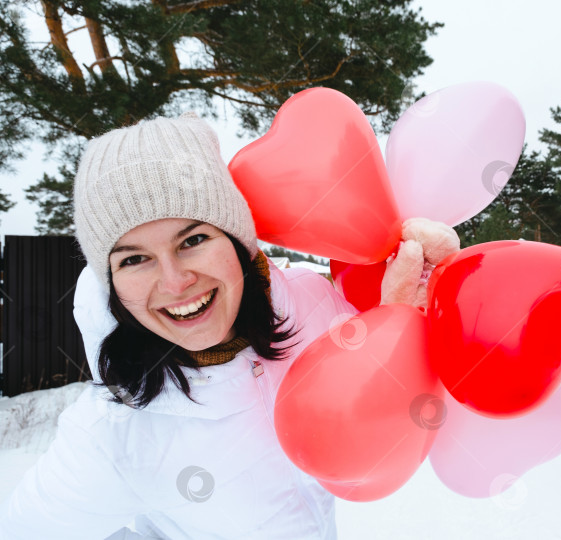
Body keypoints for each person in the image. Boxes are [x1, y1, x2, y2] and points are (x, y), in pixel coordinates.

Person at [0, 113, 459, 539]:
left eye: (193, 239)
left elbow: (385, 362)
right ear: (112, 282)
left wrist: (417, 284)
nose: (176, 281)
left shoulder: (311, 301)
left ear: (237, 242)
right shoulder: (112, 434)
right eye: (135, 259)